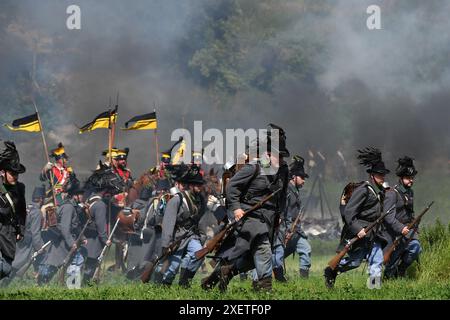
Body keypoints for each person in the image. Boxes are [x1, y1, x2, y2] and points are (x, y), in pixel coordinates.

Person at [210, 124, 290, 292]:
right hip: (250, 215)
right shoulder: (254, 167)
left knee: (249, 258)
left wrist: (280, 213)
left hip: (268, 218)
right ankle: (265, 289)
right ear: (268, 155)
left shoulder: (282, 171)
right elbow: (232, 187)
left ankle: (226, 271)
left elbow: (282, 196)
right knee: (263, 248)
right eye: (279, 156)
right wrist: (236, 208)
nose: (282, 160)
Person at [324, 147, 409, 289]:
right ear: (372, 175)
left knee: (376, 260)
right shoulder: (364, 190)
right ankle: (332, 271)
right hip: (360, 232)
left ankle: (374, 289)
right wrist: (358, 229)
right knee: (355, 262)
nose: (382, 177)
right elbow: (349, 212)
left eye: (383, 175)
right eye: (379, 175)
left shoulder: (380, 192)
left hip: (374, 233)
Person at [153, 164, 206, 287]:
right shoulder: (177, 199)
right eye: (197, 184)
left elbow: (201, 220)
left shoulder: (201, 200)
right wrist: (166, 244)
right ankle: (163, 286)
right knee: (173, 267)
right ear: (191, 185)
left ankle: (185, 282)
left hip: (192, 235)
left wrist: (202, 237)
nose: (200, 187)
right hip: (177, 236)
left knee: (199, 254)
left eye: (200, 184)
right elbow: (168, 223)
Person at [273, 155, 311, 281]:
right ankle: (275, 278)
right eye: (302, 177)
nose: (304, 180)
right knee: (277, 254)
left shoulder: (295, 190)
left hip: (296, 230)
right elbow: (285, 212)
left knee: (306, 249)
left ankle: (304, 281)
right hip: (286, 229)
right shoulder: (287, 190)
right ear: (294, 177)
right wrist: (288, 229)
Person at [384, 156, 421, 279]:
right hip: (393, 232)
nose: (411, 180)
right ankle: (387, 276)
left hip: (408, 229)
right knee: (392, 257)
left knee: (416, 248)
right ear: (401, 178)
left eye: (412, 178)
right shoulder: (391, 193)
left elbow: (410, 212)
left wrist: (415, 224)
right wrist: (401, 229)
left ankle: (401, 270)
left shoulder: (410, 193)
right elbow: (388, 217)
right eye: (408, 178)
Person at [0, 141, 27, 280]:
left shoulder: (20, 188)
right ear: (2, 172)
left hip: (8, 231)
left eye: (16, 173)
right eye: (12, 173)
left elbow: (22, 212)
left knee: (6, 268)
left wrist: (20, 230)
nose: (15, 176)